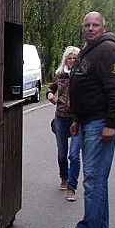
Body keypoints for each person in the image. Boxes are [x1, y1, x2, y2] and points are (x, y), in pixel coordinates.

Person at [59, 11, 115, 228]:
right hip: (89, 121)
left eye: (95, 25)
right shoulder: (89, 50)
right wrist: (78, 119)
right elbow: (83, 87)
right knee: (98, 177)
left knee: (93, 177)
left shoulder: (108, 50)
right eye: (87, 24)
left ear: (103, 27)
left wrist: (110, 124)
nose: (90, 28)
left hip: (102, 122)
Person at [47, 46, 81, 201]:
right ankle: (64, 177)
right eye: (70, 57)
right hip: (61, 117)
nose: (72, 60)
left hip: (78, 118)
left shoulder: (83, 75)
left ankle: (72, 187)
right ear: (65, 59)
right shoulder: (60, 74)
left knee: (73, 155)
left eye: (75, 58)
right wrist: (49, 93)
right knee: (62, 154)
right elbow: (52, 87)